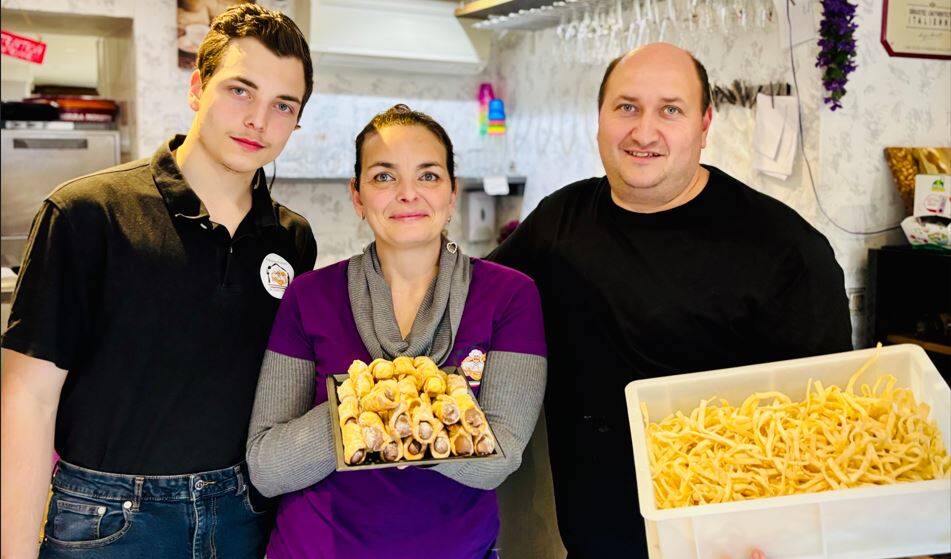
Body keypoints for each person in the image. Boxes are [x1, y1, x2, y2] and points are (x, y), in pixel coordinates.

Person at [489, 43, 853, 557]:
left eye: (671, 110)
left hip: (727, 542)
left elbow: (827, 423)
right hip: (593, 533)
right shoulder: (559, 221)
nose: (643, 131)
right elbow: (478, 301)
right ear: (600, 119)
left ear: (705, 125)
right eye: (627, 107)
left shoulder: (786, 251)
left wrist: (784, 533)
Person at [0, 5, 316, 557]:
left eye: (282, 105)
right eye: (240, 90)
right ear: (197, 87)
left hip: (244, 516)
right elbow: (26, 401)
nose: (258, 120)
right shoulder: (86, 213)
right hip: (106, 522)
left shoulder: (292, 239)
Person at [246, 104, 547, 559]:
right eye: (384, 177)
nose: (408, 194)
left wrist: (365, 408)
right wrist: (418, 408)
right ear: (358, 196)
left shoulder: (510, 296)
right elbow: (267, 467)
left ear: (451, 194)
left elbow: (498, 458)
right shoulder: (309, 297)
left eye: (428, 176)